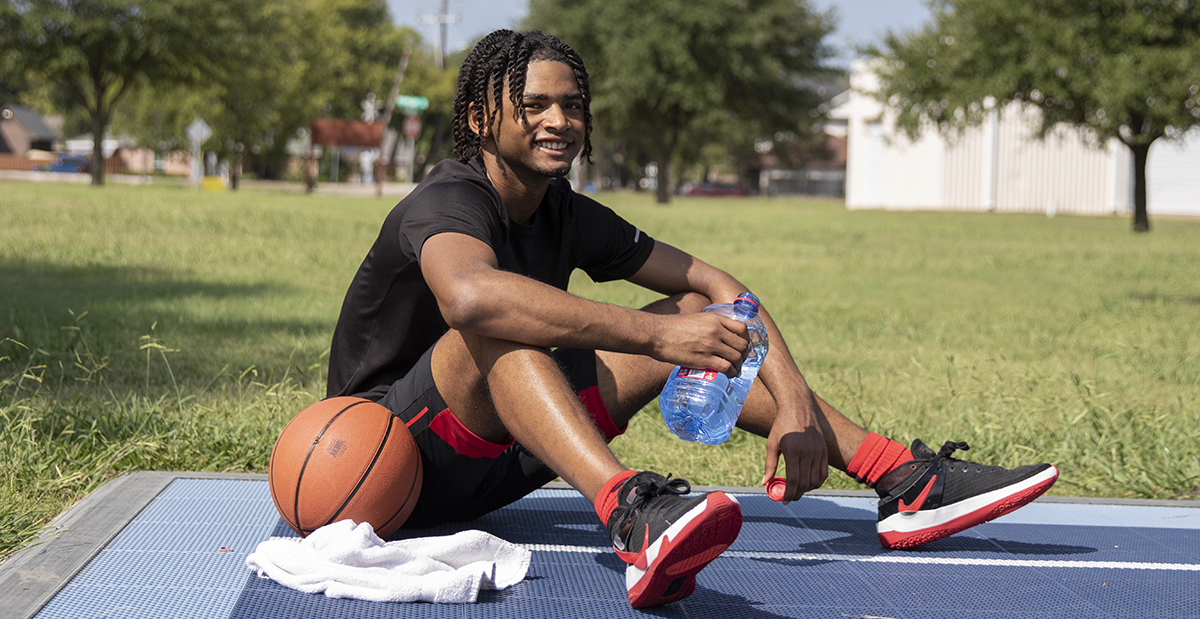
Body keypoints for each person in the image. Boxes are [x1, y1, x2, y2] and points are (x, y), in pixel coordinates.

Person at [326, 29, 1058, 608]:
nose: (561, 119)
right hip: (382, 464)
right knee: (499, 319)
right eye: (537, 103)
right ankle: (627, 509)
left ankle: (897, 474)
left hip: (497, 463)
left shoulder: (565, 213)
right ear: (482, 118)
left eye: (573, 103)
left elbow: (717, 285)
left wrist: (794, 399)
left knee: (693, 308)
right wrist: (656, 335)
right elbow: (472, 299)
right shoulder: (447, 200)